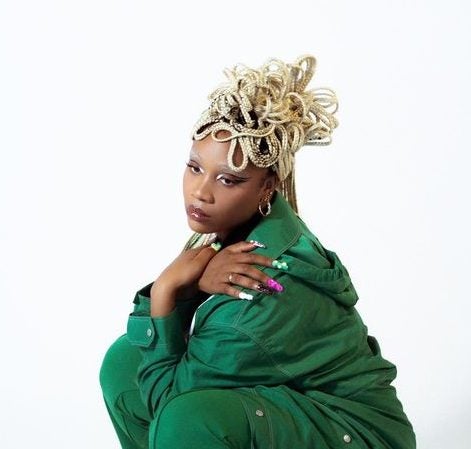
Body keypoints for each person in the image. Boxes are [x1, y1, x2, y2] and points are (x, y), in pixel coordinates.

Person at [99, 54, 416, 449]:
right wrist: (194, 283)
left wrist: (165, 292)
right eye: (195, 168)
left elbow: (170, 407)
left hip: (358, 435)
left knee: (187, 421)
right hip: (299, 406)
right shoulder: (248, 235)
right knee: (126, 363)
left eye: (228, 180)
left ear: (267, 187)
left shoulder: (257, 290)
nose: (201, 192)